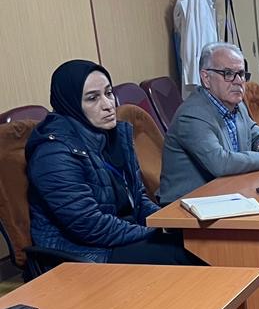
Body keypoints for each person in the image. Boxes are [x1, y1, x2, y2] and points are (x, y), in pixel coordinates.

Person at [26, 60, 201, 265]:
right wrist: (154, 232)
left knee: (198, 242)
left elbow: (138, 198)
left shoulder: (114, 135)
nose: (108, 105)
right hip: (84, 252)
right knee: (189, 253)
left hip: (119, 235)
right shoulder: (53, 153)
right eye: (93, 98)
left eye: (108, 93)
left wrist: (169, 223)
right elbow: (90, 226)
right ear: (70, 103)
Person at [158, 43, 259, 203]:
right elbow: (220, 162)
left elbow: (257, 133)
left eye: (241, 74)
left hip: (228, 193)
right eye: (228, 74)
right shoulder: (192, 115)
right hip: (188, 206)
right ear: (206, 78)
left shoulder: (236, 105)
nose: (238, 81)